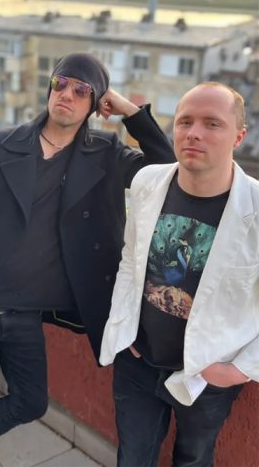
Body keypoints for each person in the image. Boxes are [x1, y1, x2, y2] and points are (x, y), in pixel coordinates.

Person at [0, 53, 175, 467]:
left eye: (82, 90)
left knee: (31, 400)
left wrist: (128, 111)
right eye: (60, 83)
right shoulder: (0, 144)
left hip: (26, 312)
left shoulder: (105, 152)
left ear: (95, 103)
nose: (67, 94)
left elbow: (165, 169)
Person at [100, 82, 258, 467]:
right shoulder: (148, 181)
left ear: (239, 136)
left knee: (192, 460)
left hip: (207, 376)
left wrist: (238, 371)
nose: (194, 133)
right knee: (131, 458)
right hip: (138, 360)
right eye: (185, 121)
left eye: (212, 124)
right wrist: (124, 326)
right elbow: (130, 259)